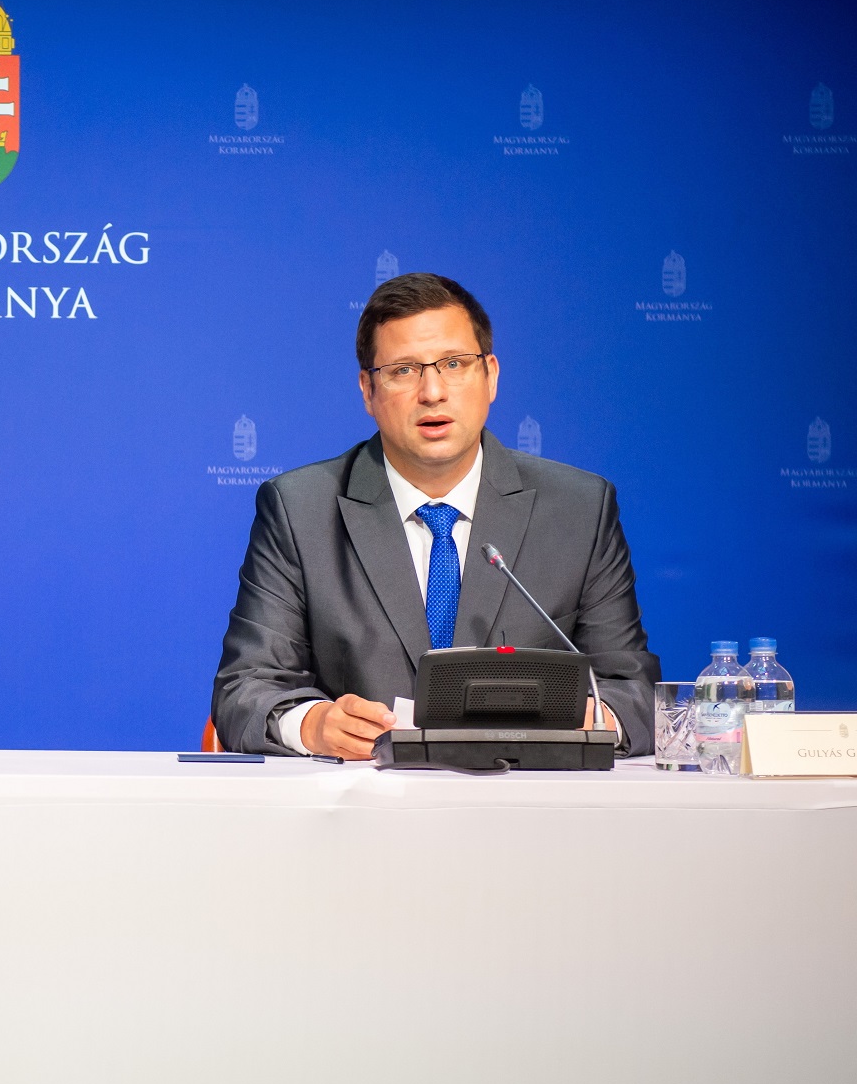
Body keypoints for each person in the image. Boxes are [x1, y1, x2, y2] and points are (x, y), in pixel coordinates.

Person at [211, 272, 659, 758]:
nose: (432, 392)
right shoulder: (300, 509)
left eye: (454, 364)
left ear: (491, 376)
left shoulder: (578, 509)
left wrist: (590, 717)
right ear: (368, 390)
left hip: (525, 794)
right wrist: (314, 724)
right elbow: (245, 687)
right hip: (364, 795)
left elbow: (633, 692)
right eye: (403, 370)